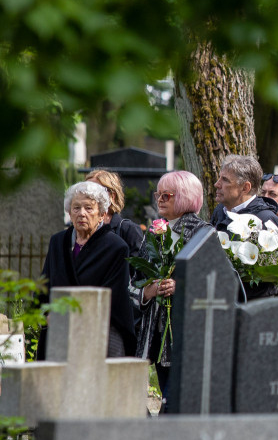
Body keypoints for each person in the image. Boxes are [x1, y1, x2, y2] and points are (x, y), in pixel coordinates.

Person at [136, 171, 213, 406]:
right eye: (158, 194)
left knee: (175, 401)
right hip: (158, 335)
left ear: (185, 197)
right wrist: (148, 292)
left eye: (167, 195)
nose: (160, 199)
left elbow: (215, 280)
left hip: (186, 332)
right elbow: (134, 282)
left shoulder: (203, 232)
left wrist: (181, 285)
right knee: (167, 394)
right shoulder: (154, 233)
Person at [40, 182, 135, 357]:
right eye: (76, 208)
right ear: (69, 212)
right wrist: (46, 313)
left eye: (89, 208)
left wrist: (73, 318)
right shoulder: (58, 242)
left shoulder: (116, 247)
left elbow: (113, 297)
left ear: (102, 214)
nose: (81, 213)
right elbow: (44, 284)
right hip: (58, 330)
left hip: (98, 332)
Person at [210, 155, 278, 233]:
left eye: (225, 180)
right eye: (219, 178)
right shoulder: (220, 210)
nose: (216, 184)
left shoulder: (266, 220)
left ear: (245, 188)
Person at [85, 169, 144, 256]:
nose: (90, 196)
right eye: (86, 190)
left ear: (112, 196)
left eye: (96, 191)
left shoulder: (128, 230)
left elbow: (137, 267)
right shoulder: (79, 229)